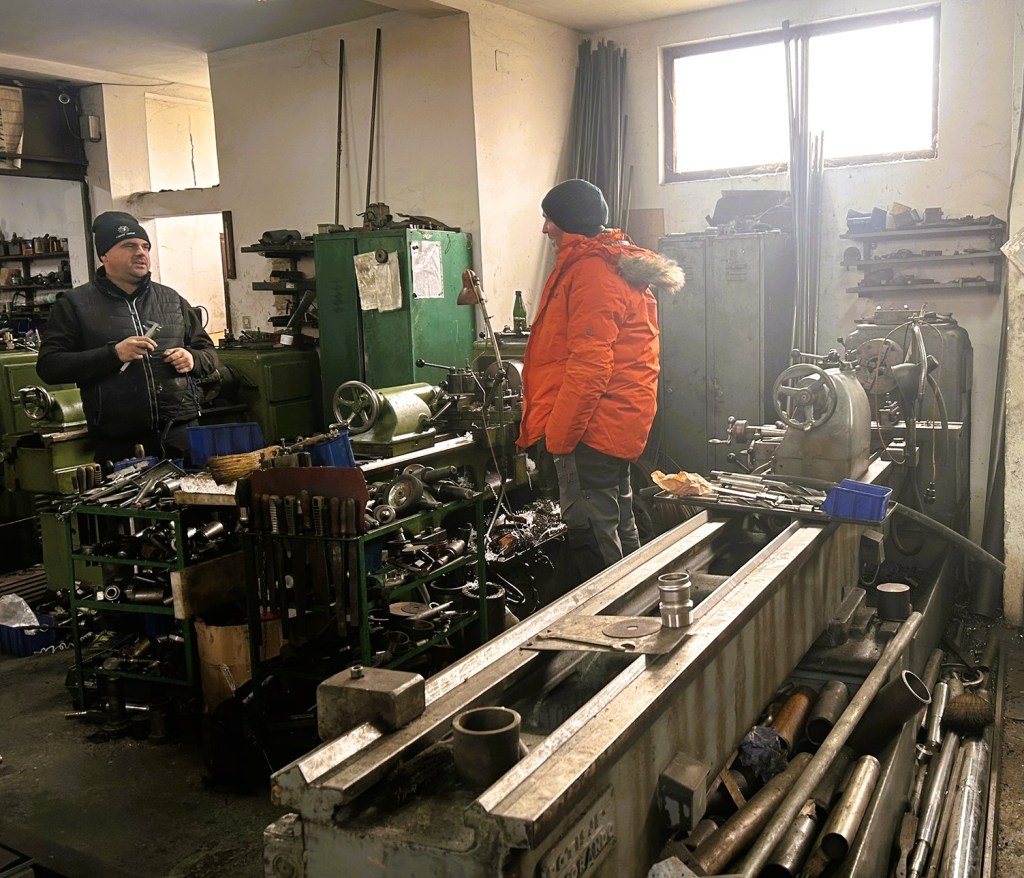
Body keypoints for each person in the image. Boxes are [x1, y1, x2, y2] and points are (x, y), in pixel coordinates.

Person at [517, 179, 685, 584]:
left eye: (549, 219)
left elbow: (589, 367)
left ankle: (610, 632)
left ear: (568, 222)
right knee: (618, 525)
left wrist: (558, 437)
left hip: (589, 430)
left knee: (592, 535)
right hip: (608, 425)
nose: (545, 229)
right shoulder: (600, 264)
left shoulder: (592, 271)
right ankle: (636, 610)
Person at [37, 211, 218, 465]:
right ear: (105, 255)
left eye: (145, 246)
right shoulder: (74, 305)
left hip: (181, 434)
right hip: (120, 443)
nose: (141, 252)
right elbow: (49, 366)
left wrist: (193, 358)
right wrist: (113, 355)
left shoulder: (172, 300)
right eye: (129, 245)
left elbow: (208, 353)